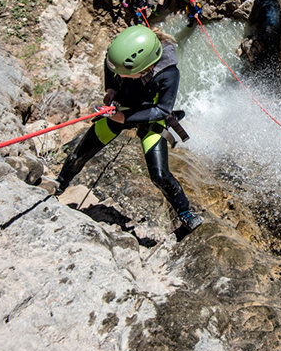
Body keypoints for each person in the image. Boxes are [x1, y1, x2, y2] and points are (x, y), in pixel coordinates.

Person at [54, 26, 203, 238]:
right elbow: (110, 64)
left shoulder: (169, 73)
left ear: (146, 67)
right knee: (80, 154)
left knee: (160, 175)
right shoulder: (122, 57)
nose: (121, 75)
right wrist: (111, 89)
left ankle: (185, 213)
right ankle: (59, 185)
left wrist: (124, 118)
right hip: (120, 108)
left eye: (126, 74)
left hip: (150, 117)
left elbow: (163, 109)